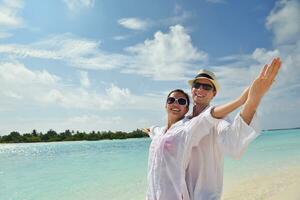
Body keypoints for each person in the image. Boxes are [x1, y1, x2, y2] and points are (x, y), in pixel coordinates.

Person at [184, 57, 281, 200]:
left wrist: (252, 101)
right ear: (191, 89)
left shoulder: (218, 120)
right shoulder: (183, 120)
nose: (200, 89)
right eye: (197, 85)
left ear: (214, 93)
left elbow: (234, 140)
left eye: (207, 87)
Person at [146, 86, 250, 199]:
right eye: (171, 100)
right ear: (166, 105)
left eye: (181, 101)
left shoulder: (186, 129)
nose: (175, 104)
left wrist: (240, 101)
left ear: (186, 109)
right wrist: (149, 129)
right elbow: (154, 131)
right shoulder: (160, 132)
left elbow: (208, 117)